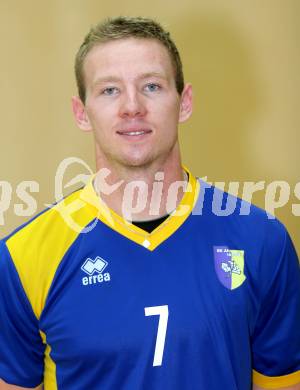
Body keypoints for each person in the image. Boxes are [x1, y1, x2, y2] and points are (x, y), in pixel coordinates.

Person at [0, 16, 299, 390]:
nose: (132, 107)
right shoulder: (23, 257)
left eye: (152, 86)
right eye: (110, 90)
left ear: (184, 102)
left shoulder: (260, 241)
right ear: (82, 112)